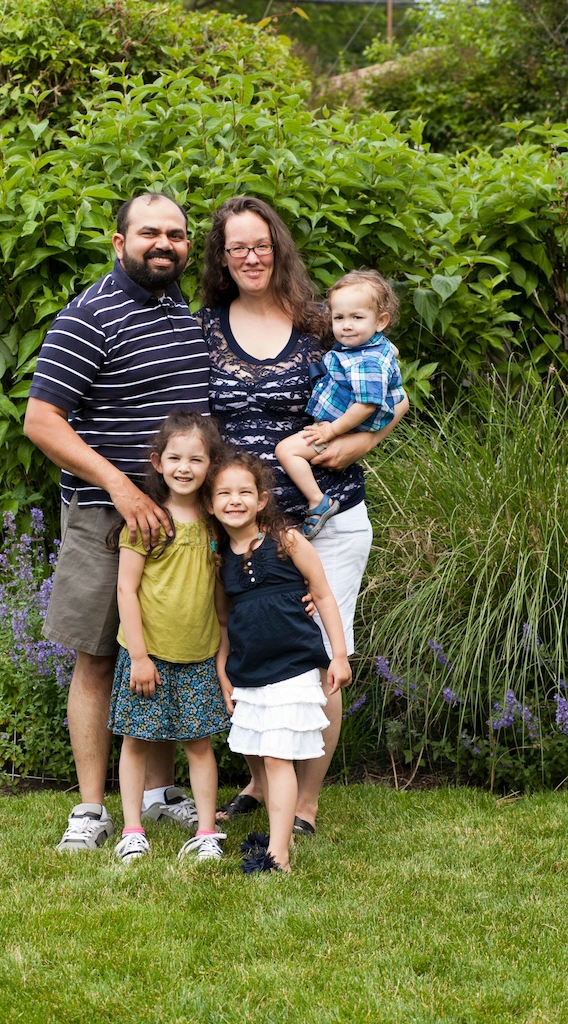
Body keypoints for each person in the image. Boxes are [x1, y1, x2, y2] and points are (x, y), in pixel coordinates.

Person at [196, 195, 409, 835]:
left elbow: (393, 398)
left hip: (326, 519)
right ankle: (263, 785)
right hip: (243, 527)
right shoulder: (206, 325)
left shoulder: (322, 321)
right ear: (222, 257)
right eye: (238, 247)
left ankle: (307, 800)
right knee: (258, 649)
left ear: (278, 247)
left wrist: (357, 443)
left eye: (261, 243)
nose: (251, 256)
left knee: (317, 651)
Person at [24, 193, 212, 851]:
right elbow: (41, 419)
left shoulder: (181, 311)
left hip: (181, 522)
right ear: (118, 241)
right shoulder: (88, 318)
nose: (165, 244)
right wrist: (121, 485)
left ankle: (158, 797)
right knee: (100, 656)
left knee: (165, 651)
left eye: (177, 235)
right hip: (108, 516)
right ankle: (89, 809)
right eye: (150, 233)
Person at [208, 450, 352, 873]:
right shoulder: (221, 562)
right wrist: (223, 669)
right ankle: (276, 835)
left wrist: (339, 656)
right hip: (249, 671)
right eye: (223, 493)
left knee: (277, 757)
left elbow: (322, 593)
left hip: (294, 664)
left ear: (262, 499)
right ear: (211, 503)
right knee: (262, 754)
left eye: (244, 492)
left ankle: (279, 854)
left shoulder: (287, 541)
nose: (234, 500)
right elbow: (222, 621)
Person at [109, 412, 230, 864]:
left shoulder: (216, 522)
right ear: (158, 463)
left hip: (198, 656)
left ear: (210, 464)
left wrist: (222, 651)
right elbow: (126, 589)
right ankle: (132, 829)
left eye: (195, 459)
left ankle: (205, 832)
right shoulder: (146, 522)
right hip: (148, 656)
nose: (184, 467)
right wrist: (139, 657)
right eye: (175, 457)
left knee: (199, 745)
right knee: (136, 741)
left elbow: (220, 595)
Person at [276, 269, 405, 540]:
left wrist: (331, 432)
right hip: (339, 427)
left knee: (287, 451)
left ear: (381, 321)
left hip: (342, 430)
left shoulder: (366, 361)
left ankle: (318, 502)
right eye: (339, 317)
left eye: (357, 317)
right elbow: (388, 352)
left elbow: (367, 405)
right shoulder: (369, 347)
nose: (346, 325)